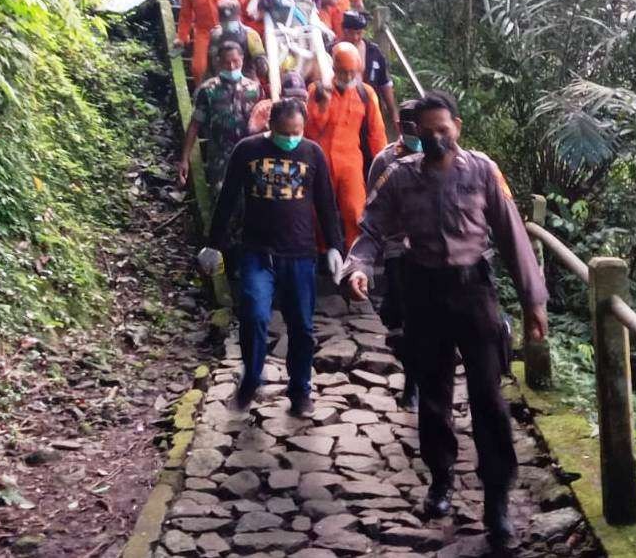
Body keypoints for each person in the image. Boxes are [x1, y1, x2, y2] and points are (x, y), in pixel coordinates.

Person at [338, 90, 549, 546]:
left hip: (474, 293)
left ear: (457, 127)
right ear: (415, 132)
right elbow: (371, 229)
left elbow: (513, 234)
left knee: (489, 399)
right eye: (427, 131)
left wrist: (534, 300)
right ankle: (441, 479)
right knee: (433, 394)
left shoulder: (483, 171)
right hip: (424, 292)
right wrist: (357, 267)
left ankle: (497, 502)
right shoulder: (399, 178)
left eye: (443, 130)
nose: (436, 139)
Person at [205, 97, 345, 414]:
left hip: (300, 253)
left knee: (302, 327)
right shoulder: (247, 150)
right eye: (285, 132)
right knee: (254, 315)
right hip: (258, 251)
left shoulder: (312, 153)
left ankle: (300, 391)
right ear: (271, 126)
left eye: (297, 131)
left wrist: (336, 246)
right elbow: (227, 199)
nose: (291, 138)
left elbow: (325, 202)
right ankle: (251, 378)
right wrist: (214, 243)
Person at [364, 98, 423, 410]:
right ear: (400, 127)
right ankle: (413, 382)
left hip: (433, 249)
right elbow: (373, 208)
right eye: (411, 126)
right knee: (406, 319)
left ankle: (419, 383)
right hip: (398, 248)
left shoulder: (440, 154)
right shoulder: (385, 160)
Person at [305, 43, 388, 247]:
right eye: (344, 72)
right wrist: (323, 105)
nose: (349, 76)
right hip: (320, 159)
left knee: (355, 208)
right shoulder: (317, 90)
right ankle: (325, 252)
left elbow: (376, 132)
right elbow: (309, 129)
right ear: (334, 69)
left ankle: (355, 255)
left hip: (350, 160)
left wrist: (384, 162)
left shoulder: (365, 93)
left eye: (353, 72)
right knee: (319, 210)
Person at [180, 42, 263, 195]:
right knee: (221, 199)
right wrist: (185, 158)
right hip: (219, 157)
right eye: (226, 62)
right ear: (218, 62)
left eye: (235, 61)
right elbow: (194, 125)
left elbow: (265, 123)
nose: (231, 66)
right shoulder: (207, 90)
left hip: (250, 155)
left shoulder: (255, 89)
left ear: (242, 59)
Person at [176, 0, 241, 84]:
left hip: (226, 29)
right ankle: (202, 95)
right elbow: (185, 15)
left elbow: (238, 4)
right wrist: (181, 37)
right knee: (198, 68)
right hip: (203, 32)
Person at [340, 11, 399, 130]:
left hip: (369, 109)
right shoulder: (333, 51)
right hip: (342, 111)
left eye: (359, 33)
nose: (355, 37)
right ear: (343, 31)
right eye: (350, 33)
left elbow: (385, 83)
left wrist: (394, 113)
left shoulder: (374, 52)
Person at [207, 0, 268, 81]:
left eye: (231, 21)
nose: (227, 24)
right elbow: (211, 65)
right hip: (222, 83)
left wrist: (259, 59)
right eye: (225, 21)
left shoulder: (250, 35)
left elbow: (262, 68)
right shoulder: (215, 35)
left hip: (247, 82)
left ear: (239, 17)